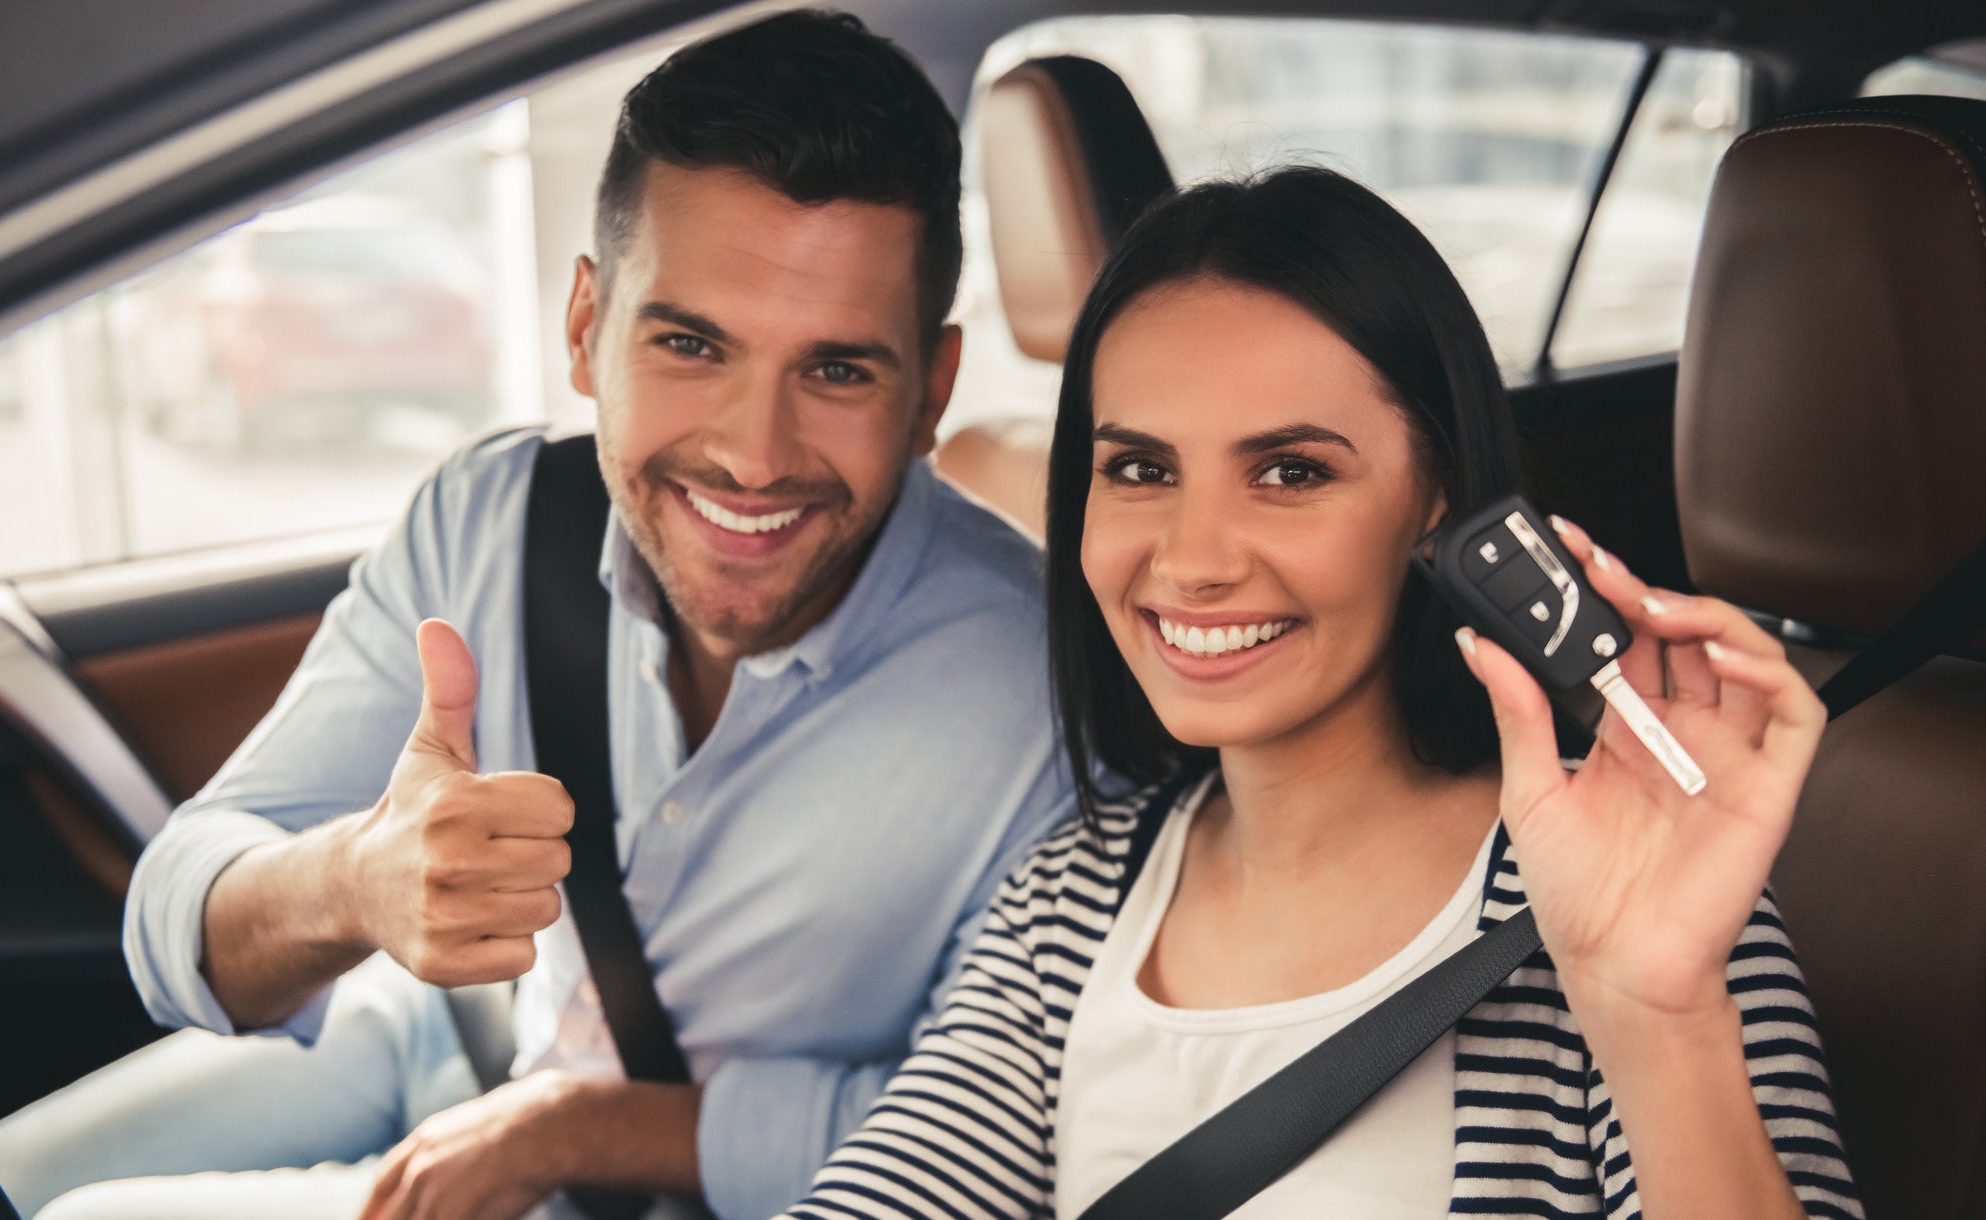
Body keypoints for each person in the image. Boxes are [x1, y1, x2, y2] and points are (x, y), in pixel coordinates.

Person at [0, 12, 1073, 1220]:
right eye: (690, 343)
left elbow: (1002, 1131)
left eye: (837, 369)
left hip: (687, 1188)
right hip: (436, 1031)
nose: (754, 456)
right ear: (585, 330)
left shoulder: (1036, 696)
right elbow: (180, 911)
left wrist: (583, 1125)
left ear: (932, 391)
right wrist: (357, 881)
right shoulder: (495, 520)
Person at [778, 168, 1863, 1219]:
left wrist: (1656, 1015)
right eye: (1141, 469)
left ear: (1436, 500)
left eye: (1291, 471)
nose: (1192, 558)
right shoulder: (1067, 899)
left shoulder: (1628, 877)